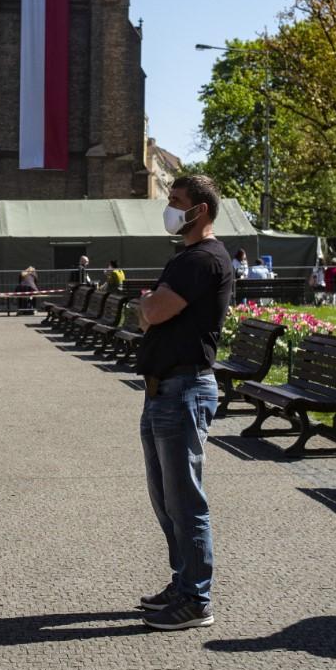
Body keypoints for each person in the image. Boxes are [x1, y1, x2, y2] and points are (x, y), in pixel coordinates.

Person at [134, 174, 232, 631]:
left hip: (183, 390)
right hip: (163, 391)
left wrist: (148, 306)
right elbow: (155, 312)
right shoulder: (187, 258)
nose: (169, 208)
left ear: (201, 211)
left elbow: (153, 312)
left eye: (176, 201)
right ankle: (183, 582)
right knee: (166, 499)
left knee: (185, 499)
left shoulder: (202, 259)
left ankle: (196, 599)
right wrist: (151, 307)